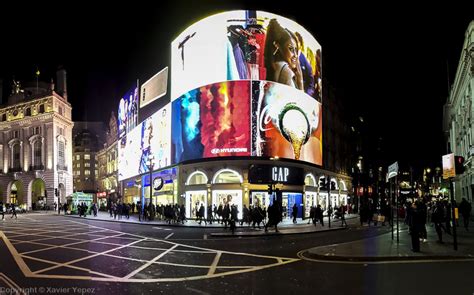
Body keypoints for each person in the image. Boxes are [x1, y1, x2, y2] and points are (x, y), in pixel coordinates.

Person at [264, 19, 303, 90]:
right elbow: (298, 101)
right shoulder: (286, 71)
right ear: (277, 45)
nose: (295, 55)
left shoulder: (274, 66)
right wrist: (300, 82)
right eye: (290, 49)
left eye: (296, 50)